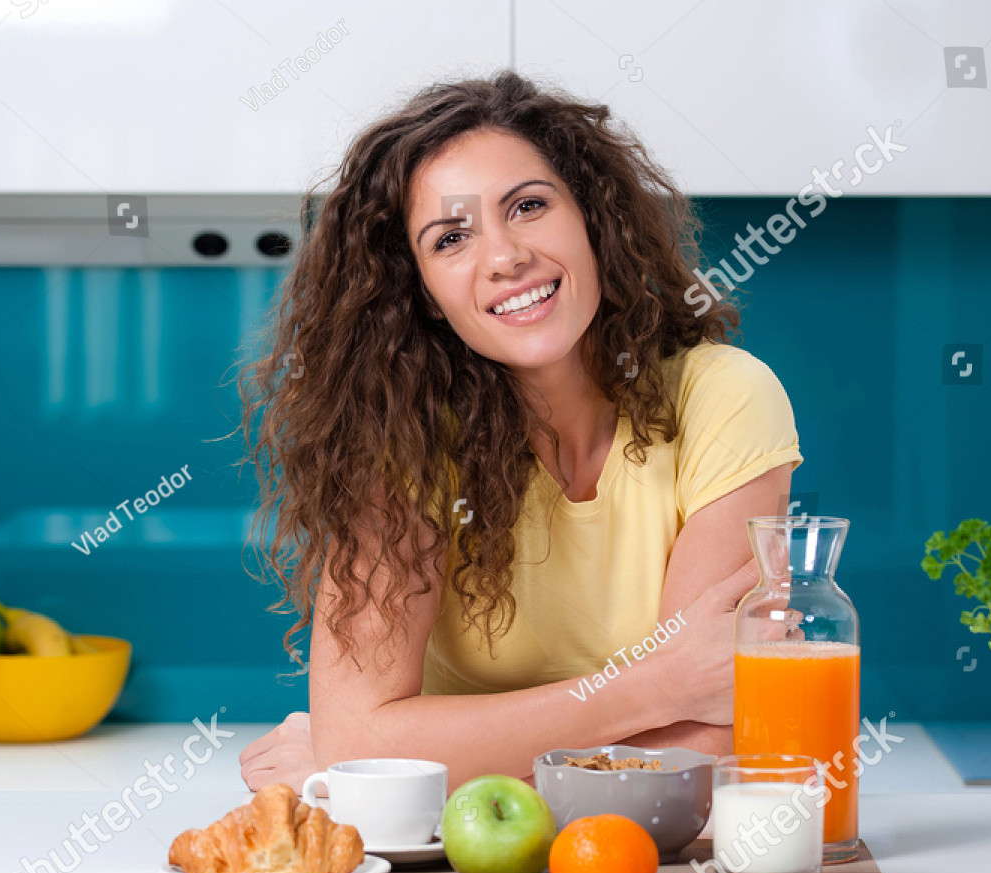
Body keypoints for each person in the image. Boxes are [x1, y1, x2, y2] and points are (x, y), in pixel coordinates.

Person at [237, 71, 801, 792]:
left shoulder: (725, 398)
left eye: (529, 206)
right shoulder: (401, 439)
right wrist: (656, 688)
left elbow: (706, 752)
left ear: (594, 219)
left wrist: (396, 762)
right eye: (451, 238)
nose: (504, 257)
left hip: (626, 867)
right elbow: (361, 740)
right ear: (426, 295)